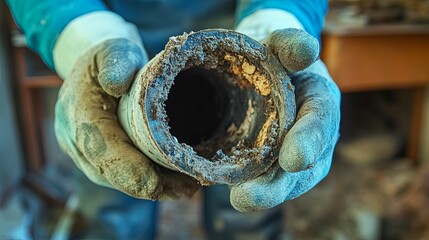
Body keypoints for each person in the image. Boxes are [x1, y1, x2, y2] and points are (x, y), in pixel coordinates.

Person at [6, 0, 341, 239]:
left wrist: (277, 20)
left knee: (252, 204)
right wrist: (84, 38)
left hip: (239, 29)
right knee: (113, 210)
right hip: (116, 42)